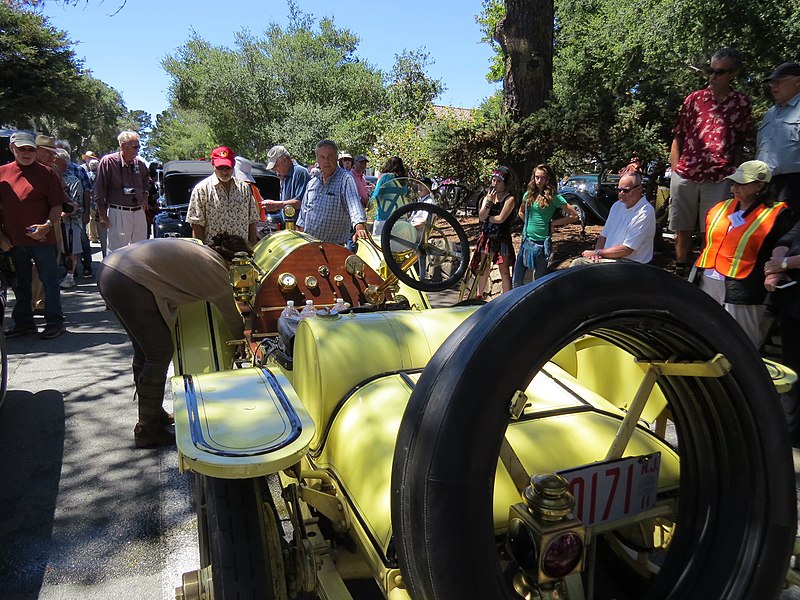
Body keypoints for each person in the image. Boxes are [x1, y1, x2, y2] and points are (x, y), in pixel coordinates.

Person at [98, 234, 248, 448]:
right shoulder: (217, 268)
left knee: (144, 350)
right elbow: (231, 315)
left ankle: (154, 414)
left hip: (110, 269)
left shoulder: (201, 251)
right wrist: (239, 338)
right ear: (231, 261)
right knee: (159, 353)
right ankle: (148, 430)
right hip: (128, 279)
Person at [668, 48, 754, 277]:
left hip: (719, 177)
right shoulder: (694, 100)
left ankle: (706, 273)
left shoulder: (741, 103)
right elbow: (678, 134)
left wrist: (732, 172)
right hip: (686, 173)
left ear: (733, 74)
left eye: (720, 72)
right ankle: (680, 269)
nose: (713, 76)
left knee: (714, 229)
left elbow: (743, 141)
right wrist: (675, 169)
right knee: (682, 227)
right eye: (711, 71)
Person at [694, 160, 792, 347]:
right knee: (706, 330)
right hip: (708, 277)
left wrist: (776, 271)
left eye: (741, 183)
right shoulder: (721, 207)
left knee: (742, 339)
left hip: (744, 284)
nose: (735, 186)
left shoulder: (777, 213)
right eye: (734, 182)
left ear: (760, 186)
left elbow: (783, 244)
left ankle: (744, 374)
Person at [0, 132, 65, 339]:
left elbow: (57, 206)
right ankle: (24, 322)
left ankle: (54, 322)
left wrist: (46, 226)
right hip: (13, 241)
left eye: (30, 149)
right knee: (20, 283)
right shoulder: (2, 173)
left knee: (49, 282)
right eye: (22, 149)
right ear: (12, 149)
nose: (26, 153)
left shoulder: (47, 174)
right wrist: (1, 236)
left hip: (43, 240)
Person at [513, 164, 580, 287]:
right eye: (536, 177)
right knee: (517, 280)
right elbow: (521, 212)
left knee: (539, 282)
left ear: (547, 179)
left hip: (541, 243)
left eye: (542, 178)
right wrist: (528, 224)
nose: (539, 181)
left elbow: (574, 215)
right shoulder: (528, 195)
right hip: (526, 241)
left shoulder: (553, 197)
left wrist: (553, 223)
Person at [571, 171, 655, 266]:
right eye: (619, 190)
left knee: (578, 263)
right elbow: (603, 236)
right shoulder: (617, 206)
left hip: (630, 264)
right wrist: (597, 253)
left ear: (639, 189)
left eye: (626, 190)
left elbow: (627, 250)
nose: (621, 194)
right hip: (610, 258)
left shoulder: (644, 212)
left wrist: (598, 253)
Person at [296, 139, 368, 245]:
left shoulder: (345, 179)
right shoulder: (312, 183)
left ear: (336, 158)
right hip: (309, 246)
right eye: (322, 157)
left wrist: (359, 227)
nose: (326, 161)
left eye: (330, 157)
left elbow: (354, 206)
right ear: (317, 160)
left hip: (334, 249)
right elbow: (302, 218)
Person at [186, 146, 260, 245]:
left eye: (228, 168)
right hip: (214, 253)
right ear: (213, 164)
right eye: (220, 168)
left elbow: (252, 222)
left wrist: (253, 250)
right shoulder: (201, 189)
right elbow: (197, 225)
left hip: (241, 254)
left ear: (233, 165)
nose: (224, 172)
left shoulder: (245, 188)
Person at [755, 62, 800, 219]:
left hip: (794, 185)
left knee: (790, 235)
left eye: (779, 81)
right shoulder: (770, 114)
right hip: (766, 184)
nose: (774, 86)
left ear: (797, 81)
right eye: (772, 82)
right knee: (766, 233)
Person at [94, 131, 150, 252]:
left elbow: (147, 182)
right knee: (117, 250)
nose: (138, 150)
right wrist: (103, 215)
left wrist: (145, 198)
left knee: (141, 249)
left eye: (138, 146)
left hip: (138, 211)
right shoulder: (108, 162)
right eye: (135, 146)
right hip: (118, 211)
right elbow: (99, 190)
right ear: (124, 146)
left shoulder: (139, 164)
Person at [764, 219, 800, 393]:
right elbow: (786, 240)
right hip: (793, 303)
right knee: (792, 373)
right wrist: (776, 268)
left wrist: (785, 263)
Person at [470, 166, 516, 297]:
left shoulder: (509, 199)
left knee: (504, 270)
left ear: (504, 183)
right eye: (493, 180)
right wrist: (489, 203)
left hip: (502, 237)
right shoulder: (488, 197)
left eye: (498, 181)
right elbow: (481, 216)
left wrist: (488, 218)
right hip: (487, 237)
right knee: (484, 268)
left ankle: (506, 298)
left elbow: (501, 218)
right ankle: (479, 296)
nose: (494, 184)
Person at [57, 139, 94, 278]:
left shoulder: (77, 170)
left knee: (81, 242)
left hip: (74, 216)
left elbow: (86, 192)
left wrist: (86, 212)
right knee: (65, 247)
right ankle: (69, 271)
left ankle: (86, 266)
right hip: (61, 217)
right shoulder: (52, 172)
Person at [52, 149, 83, 289]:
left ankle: (70, 276)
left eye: (55, 160)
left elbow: (76, 203)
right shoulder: (49, 176)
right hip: (55, 222)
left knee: (71, 250)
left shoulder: (73, 180)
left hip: (70, 222)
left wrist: (63, 213)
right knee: (60, 252)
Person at [263, 145, 309, 212]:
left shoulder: (300, 172)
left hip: (298, 221)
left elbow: (301, 202)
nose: (274, 169)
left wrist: (276, 205)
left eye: (275, 166)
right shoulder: (284, 175)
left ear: (285, 160)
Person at [370, 156, 408, 237]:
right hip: (400, 218)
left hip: (383, 217)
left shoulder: (385, 177)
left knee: (379, 243)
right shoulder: (403, 180)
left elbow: (376, 195)